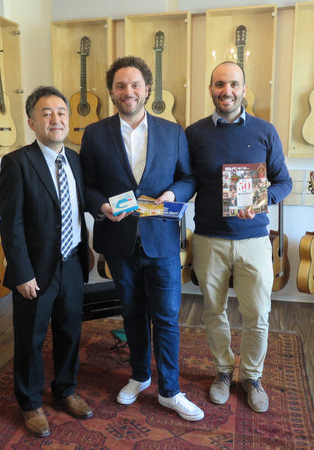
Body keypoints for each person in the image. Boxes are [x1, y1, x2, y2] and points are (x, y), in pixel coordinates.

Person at [80, 56, 203, 421]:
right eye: (120, 86)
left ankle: (170, 390)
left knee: (165, 317)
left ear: (148, 89)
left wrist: (174, 195)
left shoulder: (172, 131)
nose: (128, 92)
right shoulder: (95, 133)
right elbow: (87, 184)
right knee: (131, 313)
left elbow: (189, 177)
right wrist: (101, 207)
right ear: (112, 92)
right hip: (118, 239)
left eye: (135, 85)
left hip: (161, 239)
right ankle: (139, 375)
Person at [185, 61, 292, 412]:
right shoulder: (195, 133)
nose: (226, 91)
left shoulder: (265, 131)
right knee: (214, 311)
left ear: (244, 89)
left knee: (257, 314)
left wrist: (262, 201)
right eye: (219, 84)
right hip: (208, 239)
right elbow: (187, 179)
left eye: (233, 84)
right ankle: (222, 371)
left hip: (254, 239)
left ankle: (251, 377)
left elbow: (284, 182)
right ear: (210, 88)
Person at [0, 86, 92, 437]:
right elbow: (12, 224)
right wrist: (21, 272)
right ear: (32, 121)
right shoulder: (17, 162)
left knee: (70, 332)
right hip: (34, 272)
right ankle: (30, 402)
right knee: (31, 339)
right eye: (46, 113)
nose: (56, 119)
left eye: (61, 112)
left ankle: (65, 389)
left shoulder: (77, 160)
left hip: (71, 263)